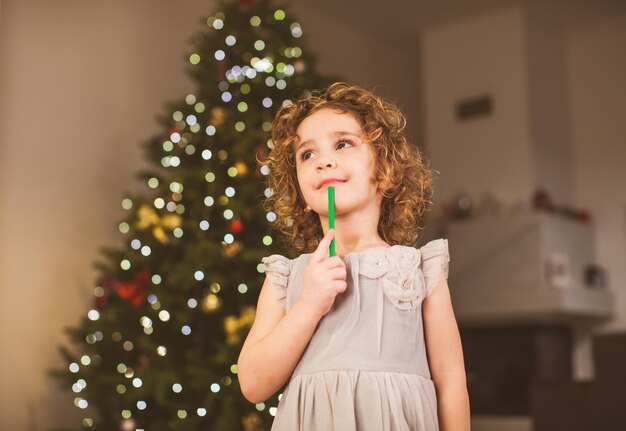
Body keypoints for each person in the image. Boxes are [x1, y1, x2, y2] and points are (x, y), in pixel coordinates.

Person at [238, 82, 470, 430]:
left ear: (386, 170)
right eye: (307, 154)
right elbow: (254, 384)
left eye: (343, 144)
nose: (324, 161)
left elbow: (451, 385)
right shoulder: (286, 279)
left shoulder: (420, 271)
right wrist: (309, 305)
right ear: (298, 190)